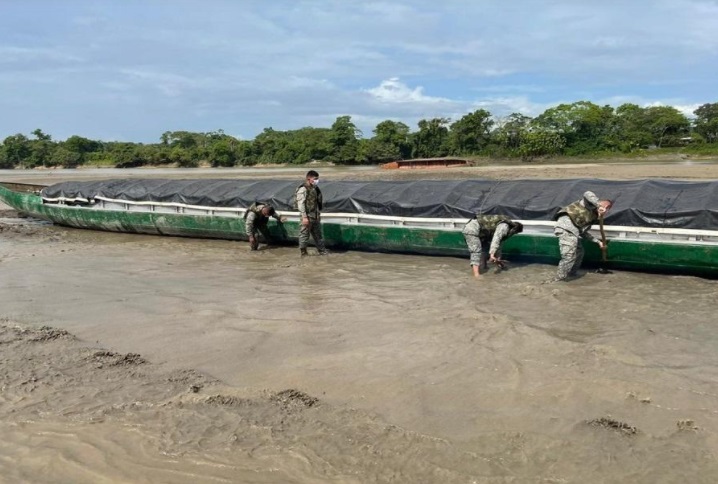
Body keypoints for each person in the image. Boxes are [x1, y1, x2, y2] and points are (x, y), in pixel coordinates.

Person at [549, 191, 613, 282]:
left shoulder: (594, 217)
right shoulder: (588, 204)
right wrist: (599, 205)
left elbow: (583, 233)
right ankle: (558, 279)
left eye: (607, 208)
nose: (605, 209)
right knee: (569, 256)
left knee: (580, 252)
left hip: (574, 233)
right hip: (566, 228)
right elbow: (587, 193)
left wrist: (598, 242)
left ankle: (571, 273)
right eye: (605, 206)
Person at [295, 170, 327, 256]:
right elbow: (301, 204)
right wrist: (304, 217)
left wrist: (318, 214)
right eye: (315, 179)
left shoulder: (315, 188)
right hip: (307, 216)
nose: (317, 180)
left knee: (318, 235)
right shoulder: (303, 189)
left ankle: (322, 252)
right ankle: (303, 253)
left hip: (315, 216)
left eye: (317, 178)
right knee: (304, 235)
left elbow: (316, 203)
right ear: (309, 179)